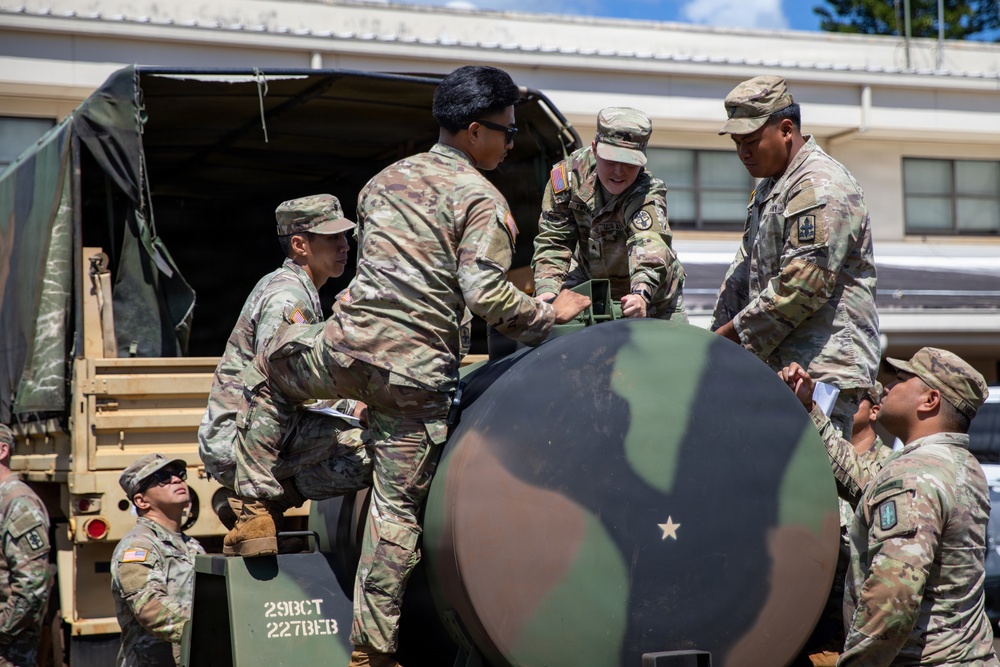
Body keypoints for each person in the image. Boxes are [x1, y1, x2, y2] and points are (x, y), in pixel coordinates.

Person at [228, 65, 591, 667]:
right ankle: (372, 652)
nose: (510, 141)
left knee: (270, 367)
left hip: (347, 350)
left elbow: (380, 276)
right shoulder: (482, 198)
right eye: (506, 129)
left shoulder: (379, 185)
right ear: (474, 131)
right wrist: (549, 313)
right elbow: (485, 293)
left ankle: (255, 502)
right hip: (416, 377)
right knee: (395, 515)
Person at [781, 349, 998, 665]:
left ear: (929, 401)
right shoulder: (959, 465)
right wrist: (809, 408)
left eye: (900, 379)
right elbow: (861, 481)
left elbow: (892, 598)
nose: (887, 387)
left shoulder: (912, 475)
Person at [198, 194, 371, 551]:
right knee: (377, 447)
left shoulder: (298, 291)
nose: (344, 246)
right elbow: (277, 378)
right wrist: (350, 408)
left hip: (255, 433)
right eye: (332, 238)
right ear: (299, 244)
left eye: (345, 237)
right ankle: (260, 502)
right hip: (244, 440)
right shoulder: (287, 296)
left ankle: (261, 500)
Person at [712, 75, 879, 437]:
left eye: (752, 141)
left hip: (823, 369)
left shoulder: (819, 184)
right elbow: (742, 273)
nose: (743, 152)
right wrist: (712, 345)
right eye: (737, 143)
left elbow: (803, 285)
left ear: (786, 129)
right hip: (779, 369)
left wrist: (726, 341)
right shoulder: (772, 188)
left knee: (816, 486)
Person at [532, 107, 686, 320]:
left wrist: (641, 294)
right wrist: (548, 293)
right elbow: (554, 240)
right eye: (611, 160)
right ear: (595, 149)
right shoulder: (568, 178)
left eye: (629, 163)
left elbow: (649, 244)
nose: (619, 171)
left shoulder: (647, 191)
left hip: (654, 300)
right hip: (592, 287)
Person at [111, 454, 205, 667]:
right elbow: (150, 607)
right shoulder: (137, 546)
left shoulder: (191, 546)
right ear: (141, 501)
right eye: (163, 477)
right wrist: (206, 629)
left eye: (179, 474)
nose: (176, 480)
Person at [0, 424, 52, 667]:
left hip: (9, 651)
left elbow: (32, 585)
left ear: (2, 451)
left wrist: (3, 631)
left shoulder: (18, 502)